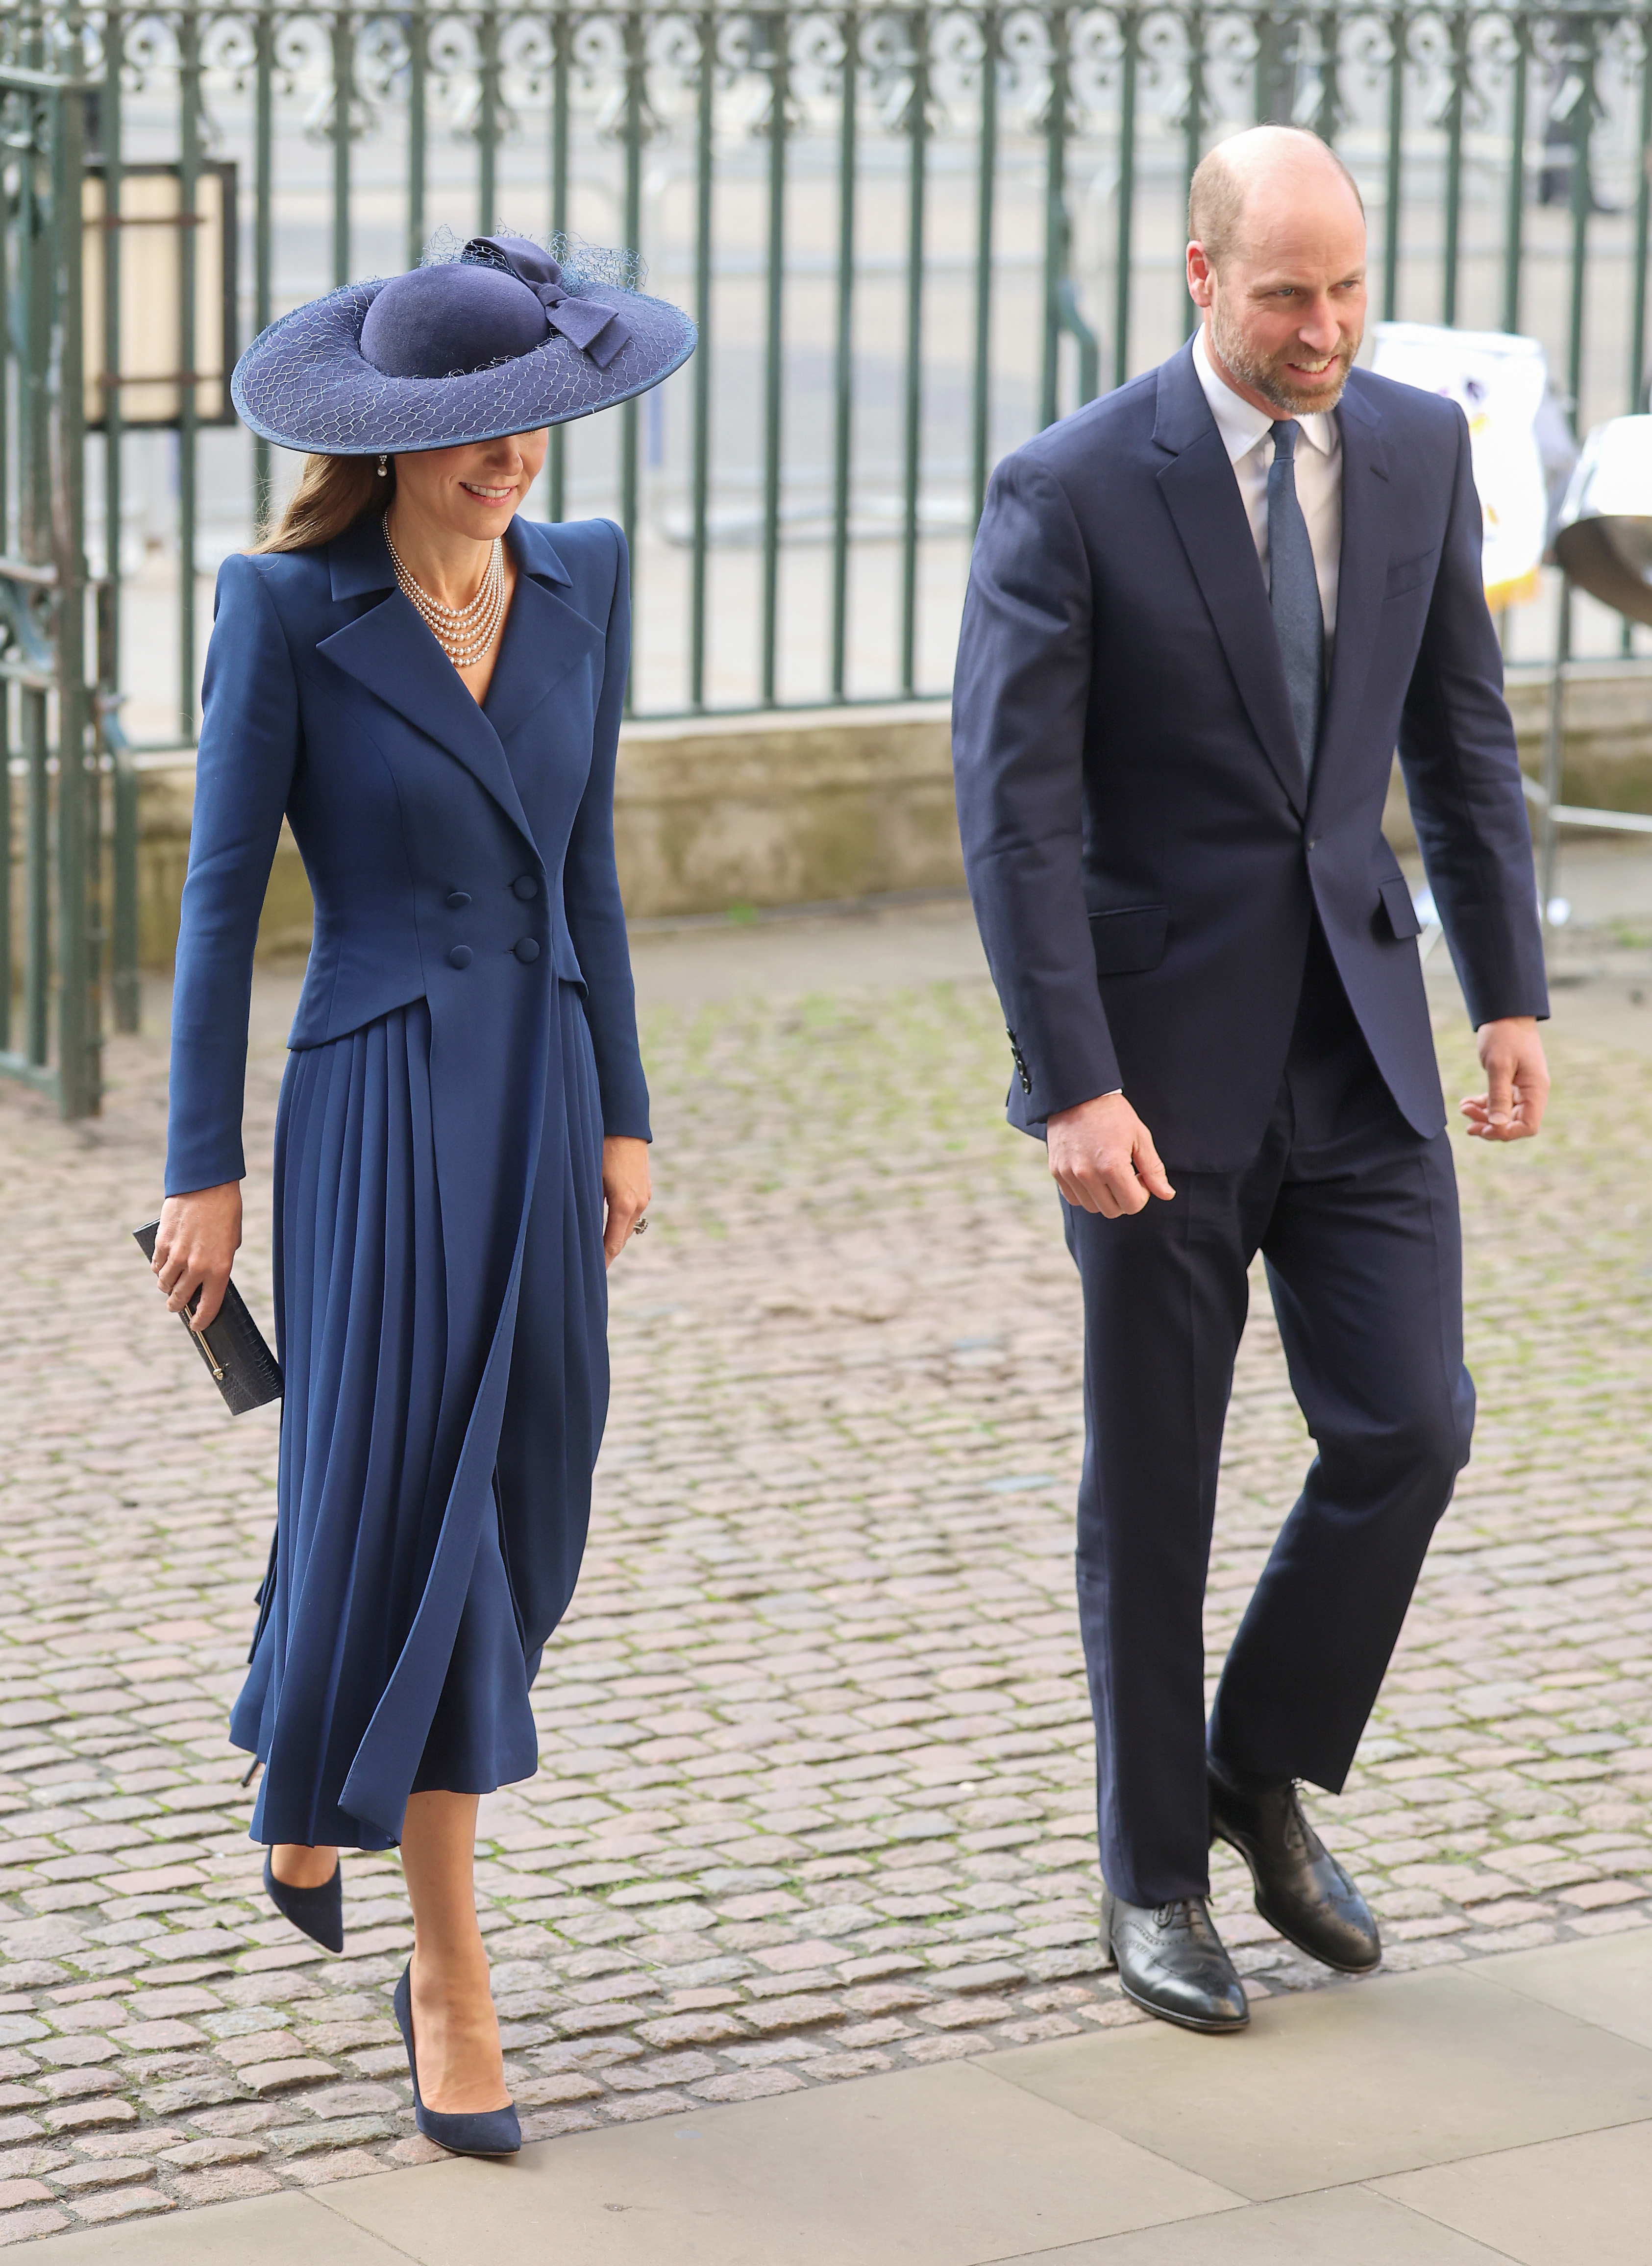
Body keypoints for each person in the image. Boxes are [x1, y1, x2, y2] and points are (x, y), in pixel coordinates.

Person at [952, 127, 1550, 2034]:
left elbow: (1460, 739)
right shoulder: (1067, 491)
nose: (1328, 327)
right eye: (1289, 291)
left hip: (1362, 1046)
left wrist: (1509, 993)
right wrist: (1070, 1080)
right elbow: (1015, 815)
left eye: (1349, 286)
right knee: (1160, 1487)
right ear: (1199, 277)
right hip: (1154, 1082)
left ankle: (1251, 1762)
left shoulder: (1416, 448)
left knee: (1412, 1424)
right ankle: (1153, 1876)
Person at [149, 233, 694, 2148]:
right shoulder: (288, 611)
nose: (514, 459)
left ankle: (316, 1753)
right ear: (386, 446)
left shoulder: (588, 583)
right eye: (473, 438)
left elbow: (592, 871)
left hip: (541, 1100)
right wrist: (196, 1173)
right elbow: (222, 905)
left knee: (527, 1491)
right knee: (421, 1521)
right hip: (376, 1107)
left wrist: (625, 1105)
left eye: (534, 423)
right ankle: (449, 1975)